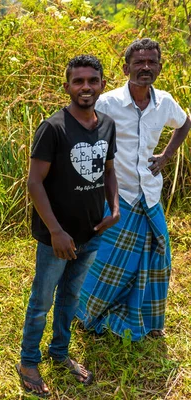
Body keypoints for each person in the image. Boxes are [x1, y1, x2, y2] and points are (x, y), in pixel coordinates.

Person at [16, 55, 120, 397]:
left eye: (92, 80)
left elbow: (107, 170)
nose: (86, 87)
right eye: (78, 81)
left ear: (103, 84)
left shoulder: (106, 124)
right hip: (56, 237)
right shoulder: (54, 127)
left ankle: (59, 353)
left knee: (71, 297)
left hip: (91, 231)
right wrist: (56, 232)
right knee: (42, 300)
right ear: (68, 87)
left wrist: (114, 207)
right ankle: (28, 359)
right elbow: (34, 183)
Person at [76, 38, 191, 341]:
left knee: (157, 259)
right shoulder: (108, 103)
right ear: (126, 68)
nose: (145, 67)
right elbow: (83, 132)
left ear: (160, 67)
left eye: (152, 62)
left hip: (149, 195)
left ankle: (148, 320)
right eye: (139, 62)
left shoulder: (164, 102)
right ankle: (88, 317)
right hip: (118, 196)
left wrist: (166, 156)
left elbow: (184, 122)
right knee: (107, 262)